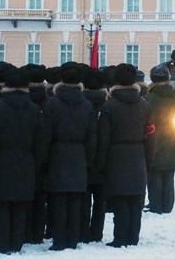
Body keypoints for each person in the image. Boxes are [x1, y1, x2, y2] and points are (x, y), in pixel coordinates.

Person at [0, 66, 46, 254]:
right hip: (26, 160)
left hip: (2, 160)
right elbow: (40, 141)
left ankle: (2, 244)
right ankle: (17, 243)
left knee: (1, 205)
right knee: (21, 205)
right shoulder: (34, 109)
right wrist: (36, 162)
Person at [96, 64, 155, 247]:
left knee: (120, 198)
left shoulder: (109, 106)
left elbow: (103, 137)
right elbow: (151, 136)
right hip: (138, 154)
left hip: (116, 155)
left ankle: (120, 236)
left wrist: (101, 163)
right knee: (136, 198)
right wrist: (148, 160)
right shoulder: (145, 105)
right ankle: (133, 236)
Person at [41, 63, 97, 250]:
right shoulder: (86, 105)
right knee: (75, 200)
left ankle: (59, 240)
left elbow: (45, 135)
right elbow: (91, 137)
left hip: (57, 154)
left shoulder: (52, 104)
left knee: (58, 200)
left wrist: (44, 159)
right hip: (79, 155)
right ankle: (72, 239)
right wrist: (88, 161)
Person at [145, 64, 175, 215]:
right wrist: (173, 88)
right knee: (169, 175)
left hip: (153, 136)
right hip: (172, 137)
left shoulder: (149, 97)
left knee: (154, 174)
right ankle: (167, 205)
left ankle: (155, 205)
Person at [19, 64, 49, 245]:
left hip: (23, 155)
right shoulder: (48, 100)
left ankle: (25, 230)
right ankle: (38, 232)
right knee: (40, 197)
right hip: (43, 155)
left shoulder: (24, 102)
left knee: (24, 196)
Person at [79, 68, 108, 244]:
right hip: (104, 159)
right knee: (100, 201)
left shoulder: (81, 105)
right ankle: (97, 233)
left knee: (83, 199)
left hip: (83, 158)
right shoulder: (108, 106)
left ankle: (82, 232)